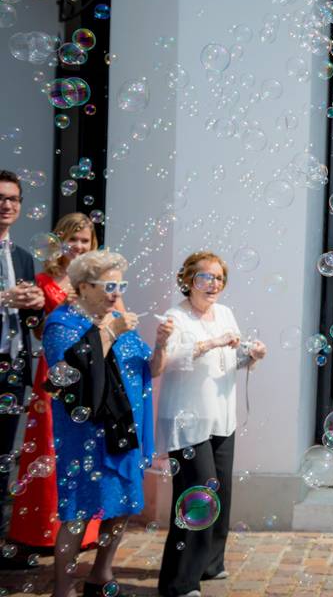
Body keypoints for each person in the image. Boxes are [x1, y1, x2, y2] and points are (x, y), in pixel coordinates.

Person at [44, 250, 171, 597]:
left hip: (122, 430)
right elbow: (66, 372)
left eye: (121, 285)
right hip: (84, 432)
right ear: (84, 286)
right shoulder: (62, 323)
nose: (117, 292)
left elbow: (152, 369)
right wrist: (110, 331)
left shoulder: (118, 320)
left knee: (122, 506)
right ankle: (63, 587)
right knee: (78, 509)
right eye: (109, 285)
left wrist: (160, 344)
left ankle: (100, 572)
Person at [156, 251, 267, 597]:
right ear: (188, 281)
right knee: (197, 495)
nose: (213, 284)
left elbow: (229, 358)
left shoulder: (225, 313)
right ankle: (178, 582)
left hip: (221, 417)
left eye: (219, 278)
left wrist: (251, 355)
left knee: (221, 493)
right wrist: (211, 342)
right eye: (205, 277)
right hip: (187, 420)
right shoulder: (175, 317)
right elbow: (166, 362)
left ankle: (210, 563)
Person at [9, 213, 101, 551]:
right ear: (60, 242)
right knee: (48, 446)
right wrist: (54, 313)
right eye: (72, 239)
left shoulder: (96, 280)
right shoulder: (43, 279)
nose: (77, 246)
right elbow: (35, 330)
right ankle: (42, 531)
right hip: (54, 371)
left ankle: (84, 532)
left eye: (84, 240)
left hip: (89, 370)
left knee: (85, 448)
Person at [0, 170, 45, 538]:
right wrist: (4, 298)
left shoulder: (23, 257)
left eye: (13, 198)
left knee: (3, 460)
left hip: (12, 370)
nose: (7, 204)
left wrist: (36, 303)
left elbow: (31, 319)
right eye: (1, 197)